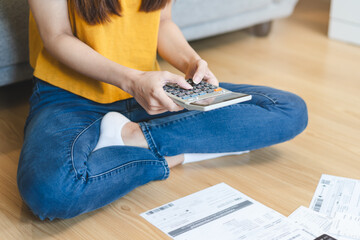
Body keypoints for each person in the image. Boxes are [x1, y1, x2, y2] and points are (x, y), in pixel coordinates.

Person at [18, 0, 308, 220]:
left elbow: (163, 22)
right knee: (50, 192)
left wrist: (191, 62)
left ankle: (134, 137)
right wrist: (132, 80)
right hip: (69, 96)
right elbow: (56, 36)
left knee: (288, 109)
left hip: (152, 90)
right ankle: (174, 154)